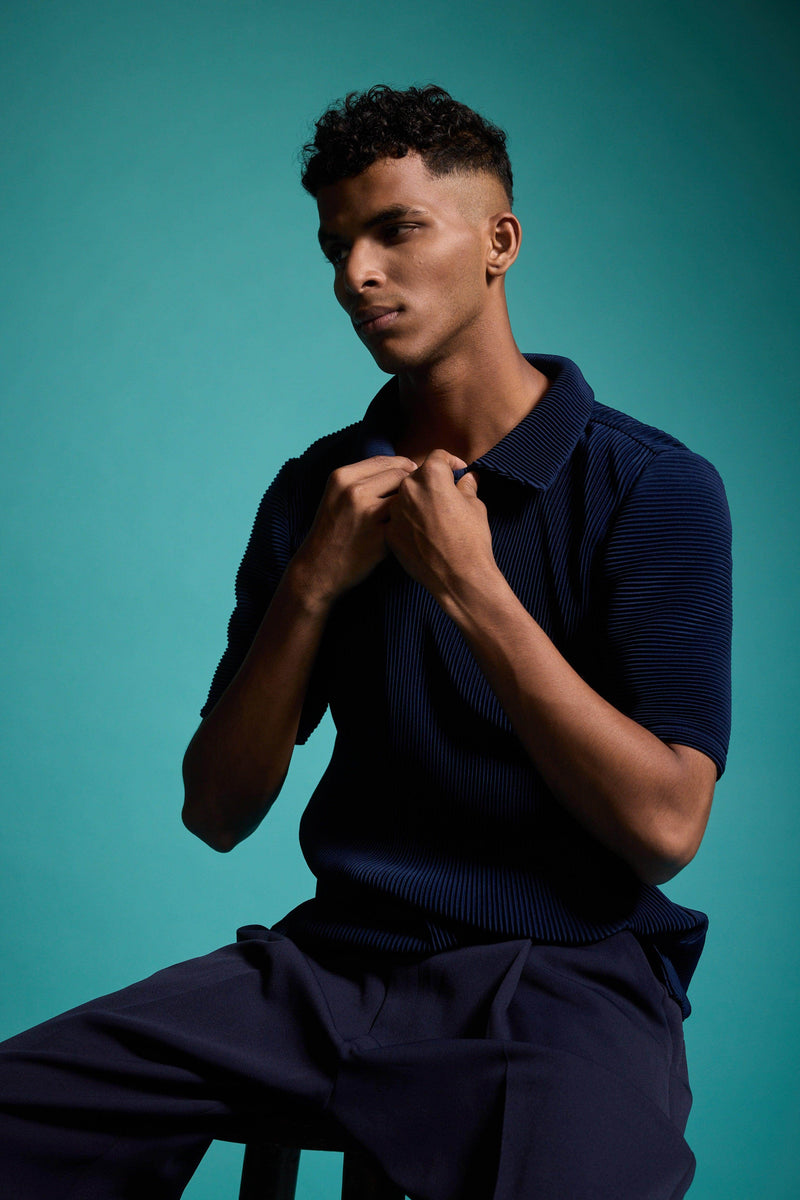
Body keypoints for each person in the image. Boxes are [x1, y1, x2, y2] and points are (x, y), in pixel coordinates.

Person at [0, 85, 731, 1199]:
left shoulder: (652, 487)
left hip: (566, 976)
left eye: (396, 230)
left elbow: (665, 827)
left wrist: (472, 586)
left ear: (499, 244)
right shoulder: (316, 493)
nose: (356, 274)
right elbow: (216, 812)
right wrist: (310, 584)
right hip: (331, 966)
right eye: (337, 246)